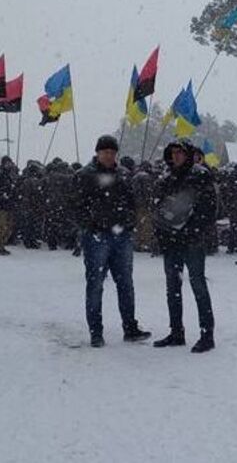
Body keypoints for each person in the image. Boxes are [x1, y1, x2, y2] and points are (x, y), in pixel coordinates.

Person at [74, 135, 150, 348]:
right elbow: (76, 206)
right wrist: (91, 226)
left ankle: (130, 327)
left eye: (112, 152)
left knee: (125, 283)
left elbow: (132, 203)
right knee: (95, 285)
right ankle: (96, 332)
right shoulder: (85, 175)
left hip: (121, 237)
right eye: (105, 152)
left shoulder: (124, 175)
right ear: (98, 153)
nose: (109, 156)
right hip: (96, 237)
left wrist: (127, 224)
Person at [152, 141, 217, 353]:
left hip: (192, 241)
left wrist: (193, 230)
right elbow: (158, 207)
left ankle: (207, 334)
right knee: (173, 288)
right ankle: (176, 332)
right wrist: (163, 230)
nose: (176, 156)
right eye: (173, 153)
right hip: (171, 241)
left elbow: (209, 209)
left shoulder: (199, 176)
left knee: (198, 285)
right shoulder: (166, 178)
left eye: (180, 153)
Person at [0, 156, 19, 256]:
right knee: (0, 227)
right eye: (7, 163)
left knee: (9, 227)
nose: (9, 165)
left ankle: (2, 245)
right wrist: (2, 196)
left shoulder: (10, 174)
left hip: (9, 205)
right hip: (1, 205)